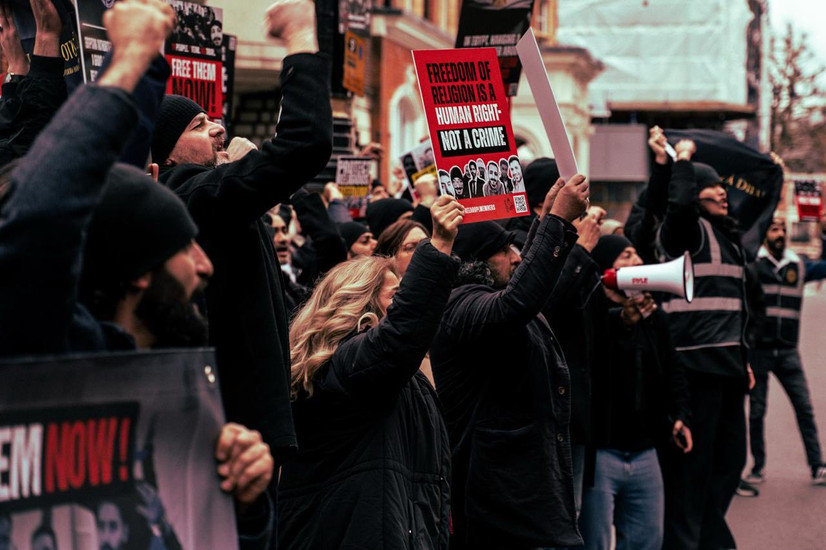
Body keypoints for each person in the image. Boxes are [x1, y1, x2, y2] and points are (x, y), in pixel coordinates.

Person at [0, 2, 273, 547]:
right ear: (141, 272)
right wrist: (127, 63)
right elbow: (41, 217)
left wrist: (245, 506)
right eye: (185, 245)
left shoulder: (174, 387)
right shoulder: (49, 347)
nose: (205, 263)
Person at [149, 0, 333, 463]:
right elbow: (303, 144)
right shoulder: (193, 197)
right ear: (167, 155)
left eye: (212, 119)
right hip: (229, 434)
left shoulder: (207, 198)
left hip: (237, 427)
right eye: (199, 125)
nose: (218, 129)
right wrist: (299, 39)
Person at [277, 196, 464, 549]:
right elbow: (399, 336)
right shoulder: (346, 363)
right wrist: (438, 245)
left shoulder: (381, 368)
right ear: (358, 302)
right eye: (396, 296)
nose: (403, 305)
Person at [430, 174, 590, 549]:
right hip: (498, 508)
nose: (515, 255)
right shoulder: (459, 303)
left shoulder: (484, 293)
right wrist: (558, 223)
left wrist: (546, 219)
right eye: (503, 250)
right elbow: (516, 302)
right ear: (476, 262)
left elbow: (521, 286)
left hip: (517, 497)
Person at [657, 139, 751, 550]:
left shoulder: (728, 237)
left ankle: (709, 537)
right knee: (691, 477)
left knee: (730, 465)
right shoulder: (684, 232)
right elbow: (676, 206)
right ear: (693, 192)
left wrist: (744, 358)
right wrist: (681, 160)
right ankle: (693, 542)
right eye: (713, 188)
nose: (723, 194)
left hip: (728, 371)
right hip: (695, 373)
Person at [578, 235, 693, 550]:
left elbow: (674, 370)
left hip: (645, 450)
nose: (637, 262)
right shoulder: (589, 314)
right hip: (602, 453)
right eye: (626, 255)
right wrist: (621, 322)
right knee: (595, 542)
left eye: (637, 255)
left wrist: (680, 415)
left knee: (648, 539)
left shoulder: (653, 318)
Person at [747, 216, 826, 485]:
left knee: (804, 407)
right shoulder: (753, 265)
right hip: (759, 351)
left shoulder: (798, 265)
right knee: (757, 411)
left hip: (789, 352)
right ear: (764, 233)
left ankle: (817, 465)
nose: (780, 233)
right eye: (774, 228)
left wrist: (824, 234)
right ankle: (758, 466)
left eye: (782, 229)